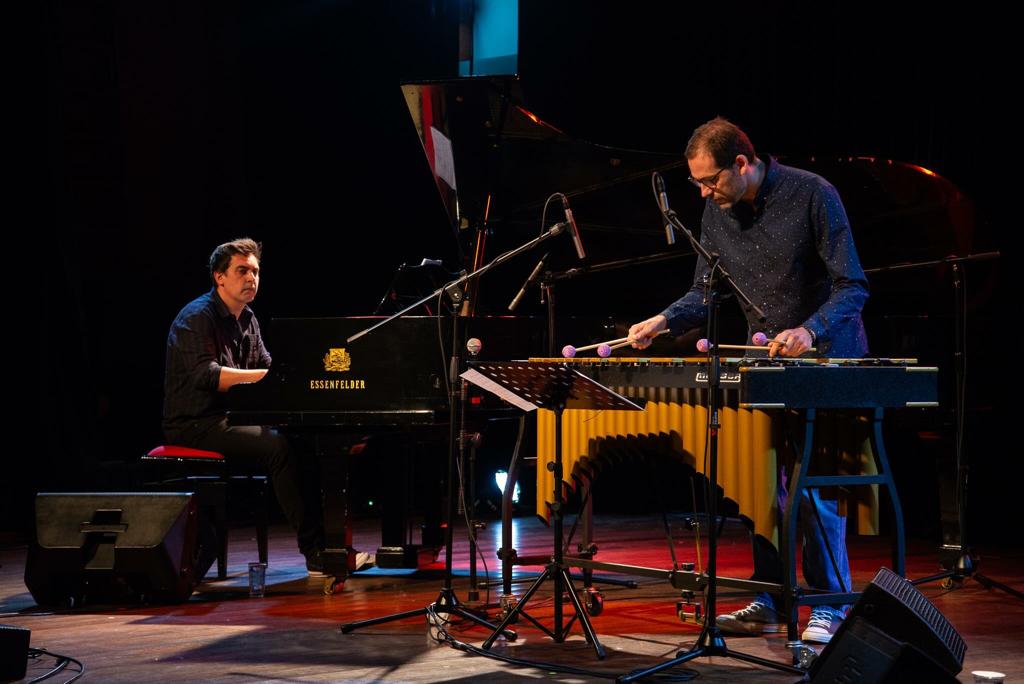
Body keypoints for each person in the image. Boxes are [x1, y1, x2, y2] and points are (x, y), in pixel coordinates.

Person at [629, 118, 869, 643]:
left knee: (811, 489)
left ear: (742, 163)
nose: (704, 192)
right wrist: (664, 320)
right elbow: (704, 293)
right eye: (697, 184)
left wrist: (809, 331)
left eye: (710, 180)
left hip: (829, 363)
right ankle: (771, 596)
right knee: (763, 490)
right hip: (764, 368)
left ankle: (830, 604)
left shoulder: (813, 194)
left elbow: (853, 285)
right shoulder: (716, 214)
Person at [162, 238, 326, 574]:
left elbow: (268, 366)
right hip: (193, 424)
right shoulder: (196, 317)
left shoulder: (248, 318)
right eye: (242, 271)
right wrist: (270, 375)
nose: (251, 278)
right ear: (219, 277)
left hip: (230, 420)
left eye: (255, 271)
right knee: (277, 447)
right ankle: (316, 552)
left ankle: (332, 544)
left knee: (309, 441)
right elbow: (206, 376)